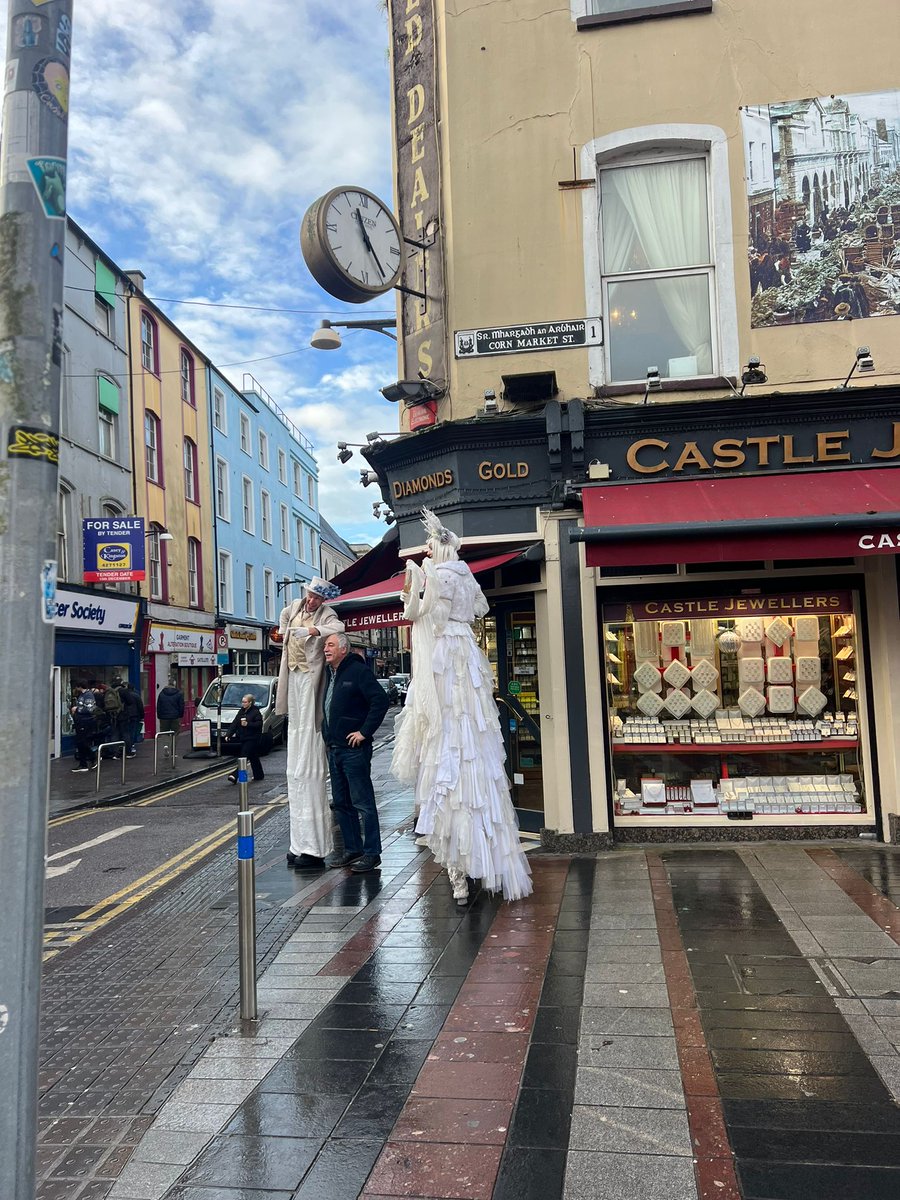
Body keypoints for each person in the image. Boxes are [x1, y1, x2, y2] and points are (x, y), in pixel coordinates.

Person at [391, 508, 532, 904]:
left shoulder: (435, 575)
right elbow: (480, 609)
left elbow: (421, 615)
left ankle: (458, 874)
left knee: (447, 742)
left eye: (429, 547)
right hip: (466, 653)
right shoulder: (467, 575)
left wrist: (415, 586)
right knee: (473, 739)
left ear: (438, 548)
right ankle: (484, 859)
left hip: (444, 657)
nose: (427, 552)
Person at [275, 578, 345, 871]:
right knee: (296, 760)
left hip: (310, 678)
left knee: (309, 754)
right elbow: (282, 619)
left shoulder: (327, 614)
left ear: (323, 599)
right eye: (310, 595)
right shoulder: (293, 607)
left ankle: (313, 847)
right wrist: (284, 630)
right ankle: (298, 844)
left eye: (317, 598)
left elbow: (338, 627)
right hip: (293, 675)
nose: (312, 601)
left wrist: (313, 630)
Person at [322, 632, 390, 873]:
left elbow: (380, 701)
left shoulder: (358, 671)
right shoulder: (330, 674)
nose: (326, 649)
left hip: (354, 750)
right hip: (334, 748)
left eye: (330, 645)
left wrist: (364, 732)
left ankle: (372, 853)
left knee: (363, 802)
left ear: (343, 649)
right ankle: (353, 849)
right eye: (325, 645)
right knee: (341, 803)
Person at [225, 694, 265, 783]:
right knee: (253, 757)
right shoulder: (241, 711)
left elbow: (259, 724)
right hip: (244, 737)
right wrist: (229, 734)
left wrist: (248, 724)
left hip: (253, 738)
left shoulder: (255, 712)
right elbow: (235, 723)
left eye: (245, 702)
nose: (243, 703)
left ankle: (235, 775)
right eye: (242, 702)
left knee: (244, 756)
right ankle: (259, 775)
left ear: (250, 702)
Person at [70, 687, 98, 772]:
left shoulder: (88, 695)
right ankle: (85, 763)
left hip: (85, 722)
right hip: (80, 721)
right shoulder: (82, 695)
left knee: (82, 742)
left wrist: (77, 709)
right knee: (80, 743)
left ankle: (90, 760)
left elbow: (90, 709)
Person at [156, 678, 184, 755]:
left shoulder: (162, 693)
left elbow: (158, 706)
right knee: (175, 733)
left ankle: (166, 745)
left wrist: (159, 715)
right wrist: (180, 715)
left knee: (164, 732)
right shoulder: (179, 693)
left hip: (164, 717)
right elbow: (181, 706)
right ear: (174, 684)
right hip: (175, 716)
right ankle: (173, 751)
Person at [118, 679, 145, 757]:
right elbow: (140, 707)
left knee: (126, 732)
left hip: (125, 716)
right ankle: (131, 746)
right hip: (134, 716)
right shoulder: (136, 695)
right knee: (132, 732)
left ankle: (124, 747)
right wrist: (142, 716)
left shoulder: (123, 695)